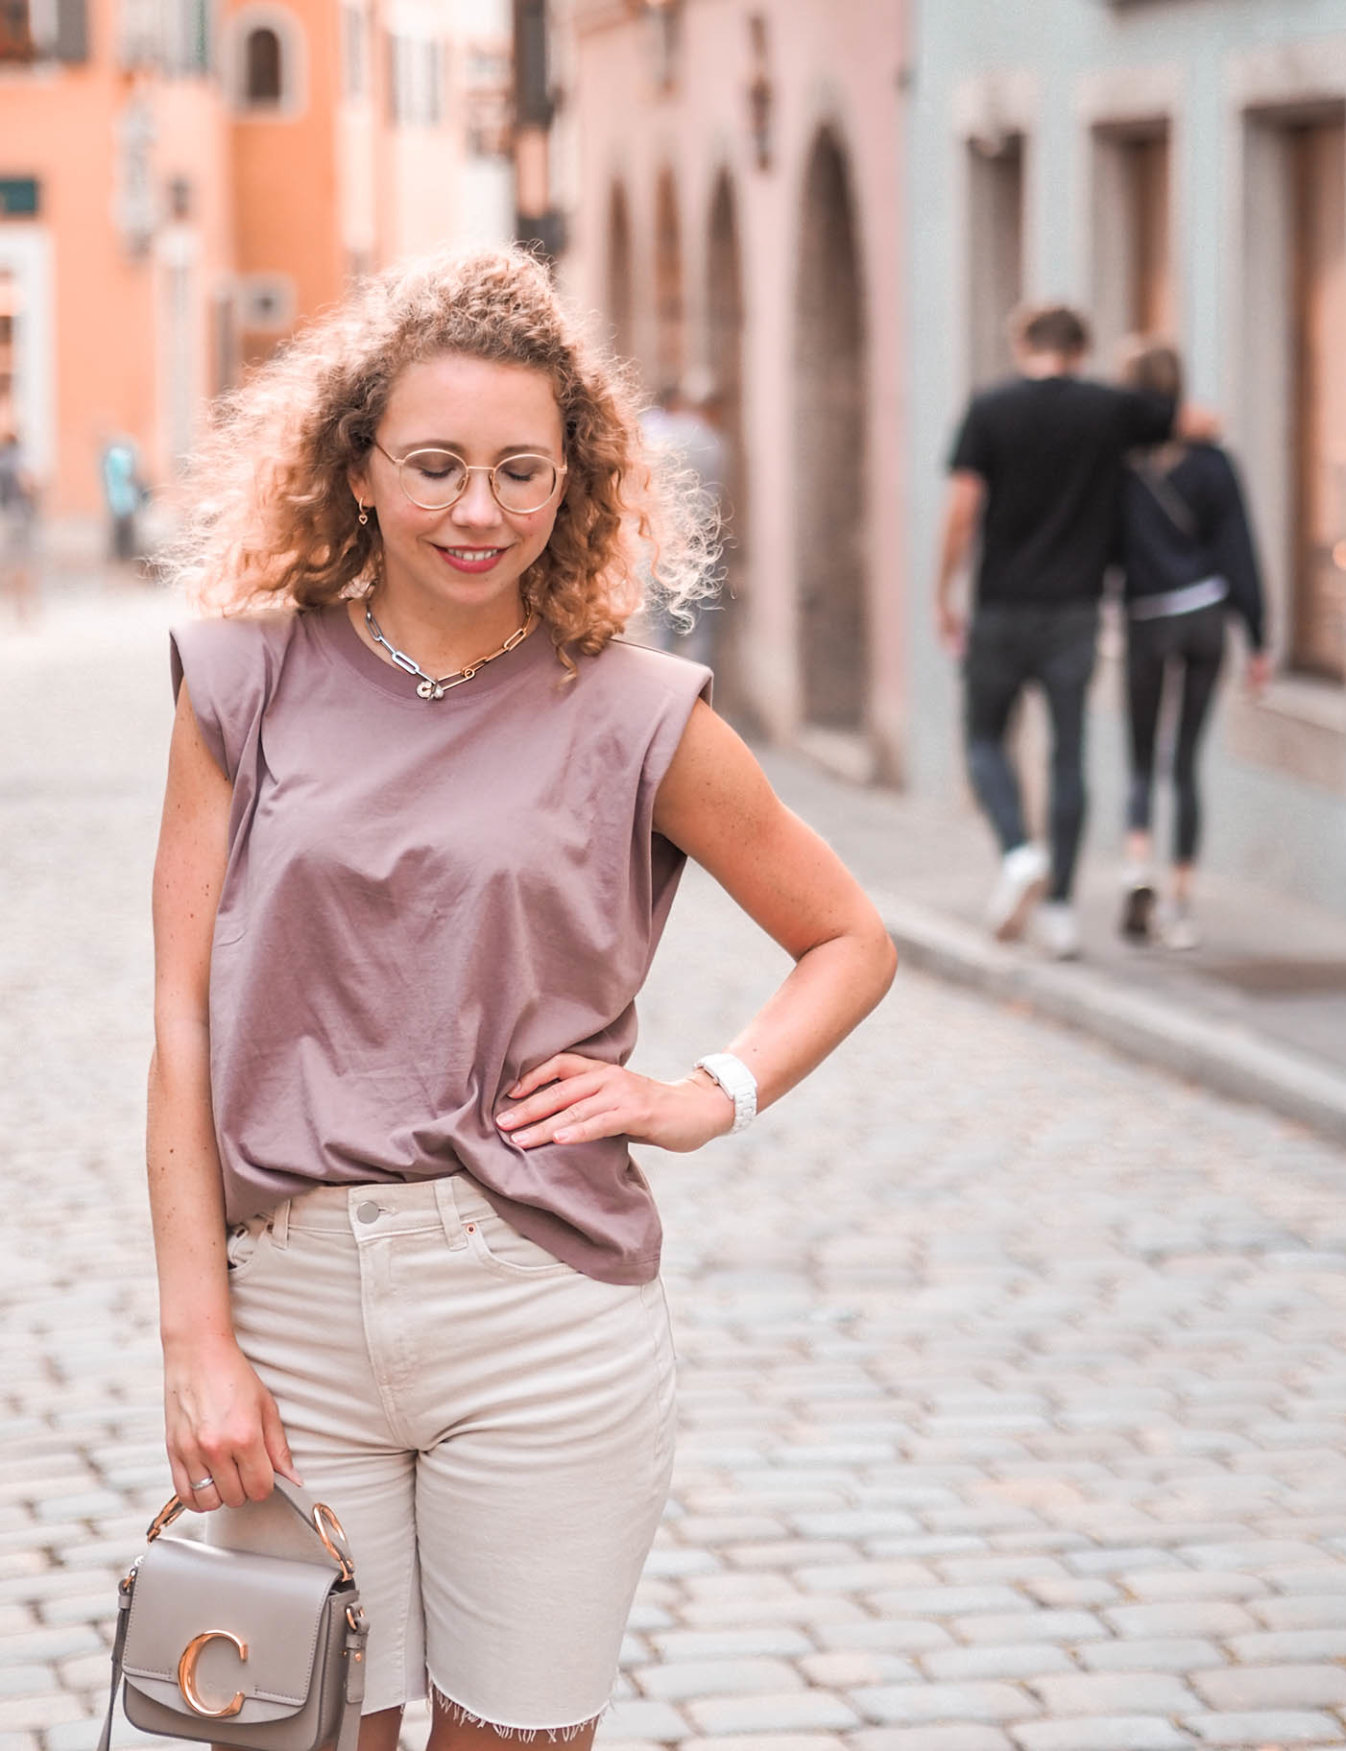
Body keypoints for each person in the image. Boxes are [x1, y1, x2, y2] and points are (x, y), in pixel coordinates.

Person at [147, 247, 895, 1751]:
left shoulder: (634, 712)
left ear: (577, 482)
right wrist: (198, 1339)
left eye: (519, 472)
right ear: (357, 468)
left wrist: (702, 1092)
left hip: (542, 1311)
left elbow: (847, 937)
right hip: (291, 1308)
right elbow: (180, 1024)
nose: (477, 511)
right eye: (434, 466)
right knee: (298, 1732)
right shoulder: (240, 683)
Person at [934, 303, 1177, 959]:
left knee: (984, 738)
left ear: (1023, 345)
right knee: (1068, 753)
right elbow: (1175, 414)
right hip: (1076, 608)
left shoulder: (990, 407)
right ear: (1081, 348)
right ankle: (1063, 910)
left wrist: (944, 592)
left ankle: (1018, 852)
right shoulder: (1108, 408)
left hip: (1003, 605)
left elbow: (962, 509)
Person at [1114, 339, 1269, 950]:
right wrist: (1258, 637)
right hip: (1206, 615)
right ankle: (1179, 907)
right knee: (1185, 765)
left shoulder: (1118, 465)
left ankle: (1136, 870)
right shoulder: (1214, 461)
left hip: (1147, 618)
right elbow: (1241, 552)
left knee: (1141, 757)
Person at [637, 369, 730, 663]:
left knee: (663, 623)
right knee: (701, 625)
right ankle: (699, 695)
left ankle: (664, 690)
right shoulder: (708, 437)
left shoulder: (651, 436)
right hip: (701, 536)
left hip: (661, 539)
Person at [0, 424, 38, 622]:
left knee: (13, 563)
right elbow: (28, 484)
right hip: (21, 514)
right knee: (24, 563)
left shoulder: (3, 461)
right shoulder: (18, 461)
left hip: (8, 514)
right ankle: (25, 611)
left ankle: (19, 609)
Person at [100, 432, 144, 563]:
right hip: (123, 502)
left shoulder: (112, 459)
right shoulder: (119, 458)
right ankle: (124, 556)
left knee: (121, 531)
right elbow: (128, 475)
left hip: (120, 501)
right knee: (124, 531)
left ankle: (122, 557)